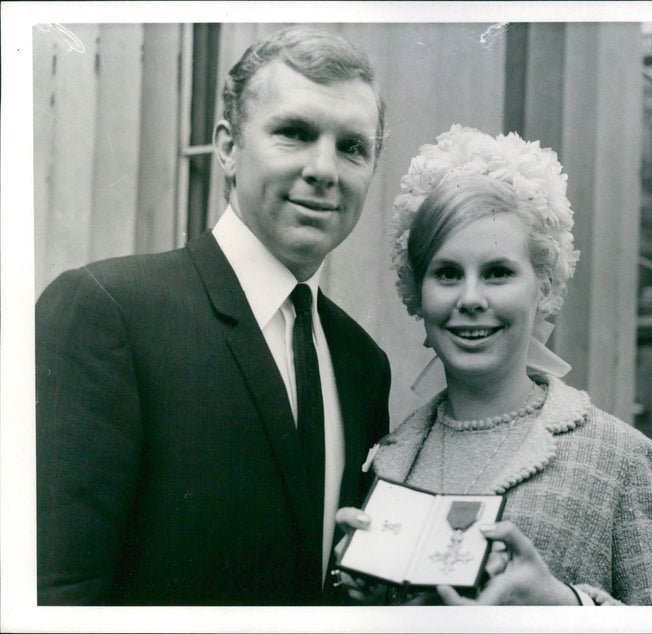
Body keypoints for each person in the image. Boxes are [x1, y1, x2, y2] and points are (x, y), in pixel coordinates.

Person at [36, 26, 390, 606]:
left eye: (353, 147)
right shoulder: (109, 311)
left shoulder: (362, 363)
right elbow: (55, 592)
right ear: (227, 147)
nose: (325, 169)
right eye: (294, 133)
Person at [335, 124, 652, 605]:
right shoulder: (389, 457)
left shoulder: (622, 461)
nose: (470, 298)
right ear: (416, 294)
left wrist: (564, 606)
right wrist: (354, 584)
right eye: (447, 273)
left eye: (498, 273)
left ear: (543, 287)